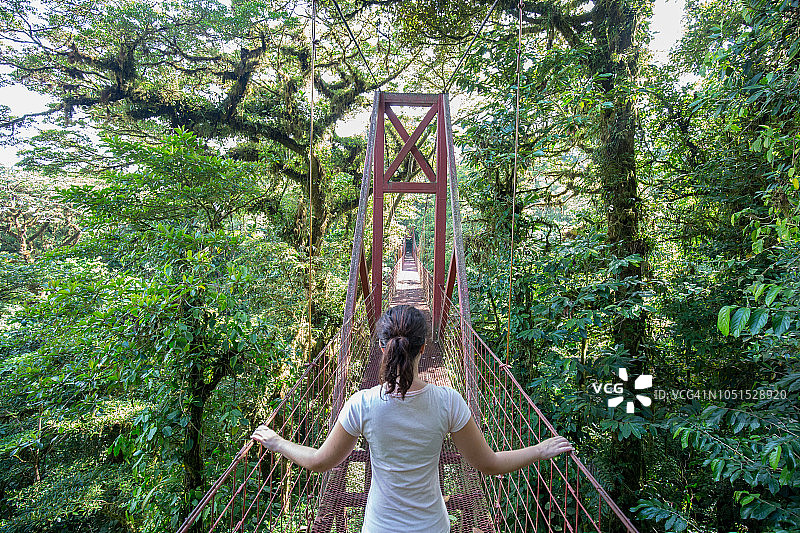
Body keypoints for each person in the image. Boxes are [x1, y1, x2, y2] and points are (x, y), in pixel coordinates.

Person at [251, 304, 574, 533]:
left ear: (382, 348)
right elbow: (488, 464)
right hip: (432, 526)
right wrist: (539, 450)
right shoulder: (448, 402)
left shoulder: (362, 404)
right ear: (422, 349)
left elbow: (320, 462)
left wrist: (278, 442)